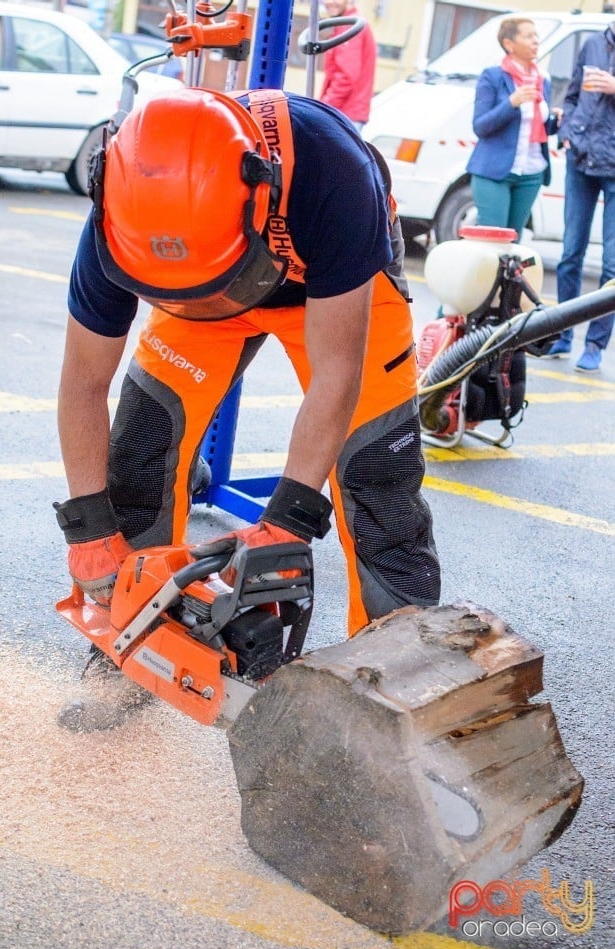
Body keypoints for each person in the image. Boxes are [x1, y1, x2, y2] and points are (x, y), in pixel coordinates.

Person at [53, 87, 441, 730]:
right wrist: (90, 532)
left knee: (378, 482)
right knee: (137, 464)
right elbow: (83, 382)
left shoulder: (334, 174)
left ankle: (403, 695)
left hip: (334, 292)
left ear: (259, 194)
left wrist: (289, 517)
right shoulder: (118, 216)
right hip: (193, 296)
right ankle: (134, 659)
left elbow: (337, 376)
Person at [543, 22, 615, 373]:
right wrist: (568, 130)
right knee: (570, 254)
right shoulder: (592, 44)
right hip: (581, 159)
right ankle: (563, 334)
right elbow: (571, 96)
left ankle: (595, 344)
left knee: (612, 266)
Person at [466, 18, 561, 240]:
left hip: (531, 172)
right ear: (509, 44)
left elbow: (540, 127)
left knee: (513, 242)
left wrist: (556, 121)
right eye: (529, 36)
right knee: (493, 241)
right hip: (494, 172)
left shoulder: (541, 80)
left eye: (536, 35)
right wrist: (511, 103)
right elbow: (480, 126)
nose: (536, 41)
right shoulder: (493, 76)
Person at [319, 1, 376, 132]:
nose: (330, 2)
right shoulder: (344, 25)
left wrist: (323, 107)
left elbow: (346, 77)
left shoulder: (350, 26)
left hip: (345, 113)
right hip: (345, 112)